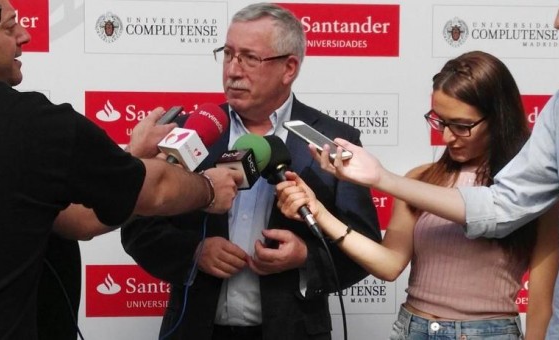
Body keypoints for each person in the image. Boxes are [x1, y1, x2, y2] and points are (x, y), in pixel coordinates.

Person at [278, 0, 559, 338]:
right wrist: (320, 213)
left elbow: (542, 299)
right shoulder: (420, 180)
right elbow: (389, 264)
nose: (446, 136)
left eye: (462, 125)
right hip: (412, 328)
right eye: (440, 121)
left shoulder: (539, 192)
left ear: (498, 118)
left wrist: (384, 178)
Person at [0, 1, 242, 339]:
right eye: (8, 26)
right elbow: (156, 190)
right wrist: (208, 189)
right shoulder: (35, 124)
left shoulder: (30, 133)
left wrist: (131, 156)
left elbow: (75, 219)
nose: (27, 35)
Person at [120, 3, 381, 340]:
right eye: (228, 54)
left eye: (249, 58)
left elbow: (366, 248)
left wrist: (305, 257)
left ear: (289, 68)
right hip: (196, 329)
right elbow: (138, 227)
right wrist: (194, 252)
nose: (233, 70)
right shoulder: (190, 132)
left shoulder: (333, 139)